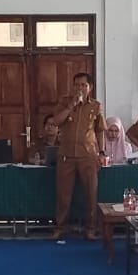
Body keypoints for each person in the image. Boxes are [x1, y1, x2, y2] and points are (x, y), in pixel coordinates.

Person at [51, 72, 105, 242]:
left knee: (90, 193)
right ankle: (60, 227)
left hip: (88, 155)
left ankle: (90, 228)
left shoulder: (96, 106)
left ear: (90, 87)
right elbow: (56, 121)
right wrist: (71, 105)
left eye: (83, 85)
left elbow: (100, 131)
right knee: (63, 194)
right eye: (76, 85)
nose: (79, 88)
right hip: (66, 155)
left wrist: (102, 152)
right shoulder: (64, 102)